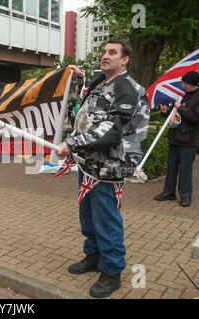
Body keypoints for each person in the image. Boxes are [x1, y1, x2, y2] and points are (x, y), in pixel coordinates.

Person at [56, 39, 150, 298]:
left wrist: (72, 142)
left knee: (107, 219)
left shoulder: (127, 87)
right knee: (88, 215)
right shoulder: (101, 82)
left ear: (125, 60)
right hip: (89, 164)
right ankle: (94, 256)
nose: (105, 56)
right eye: (104, 52)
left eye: (112, 52)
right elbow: (87, 105)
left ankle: (112, 272)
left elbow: (113, 130)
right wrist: (78, 78)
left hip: (109, 168)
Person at [154, 71, 199, 207]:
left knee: (185, 170)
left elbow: (196, 117)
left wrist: (181, 107)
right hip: (174, 137)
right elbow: (173, 112)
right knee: (171, 168)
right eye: (183, 83)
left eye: (185, 83)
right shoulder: (182, 94)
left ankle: (185, 196)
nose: (183, 85)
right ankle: (169, 192)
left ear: (193, 84)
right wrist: (165, 111)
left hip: (188, 140)